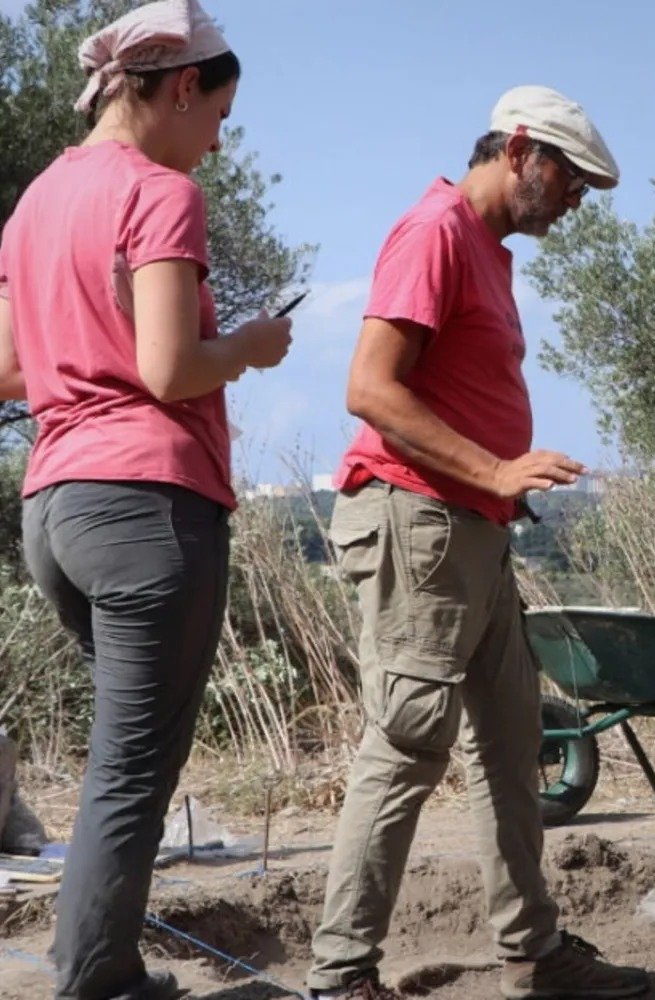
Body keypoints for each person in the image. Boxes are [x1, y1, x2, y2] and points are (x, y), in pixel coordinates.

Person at [304, 86, 646, 1000]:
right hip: (420, 520)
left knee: (510, 741)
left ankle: (533, 953)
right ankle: (340, 976)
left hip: (471, 531)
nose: (575, 202)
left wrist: (497, 486)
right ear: (521, 150)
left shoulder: (485, 250)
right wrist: (494, 469)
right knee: (408, 743)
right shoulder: (436, 232)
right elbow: (371, 389)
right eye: (571, 181)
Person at [0, 2, 292, 997]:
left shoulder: (37, 200)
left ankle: (104, 968)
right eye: (219, 117)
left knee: (123, 758)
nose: (218, 141)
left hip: (54, 508)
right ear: (181, 87)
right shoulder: (160, 192)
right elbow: (171, 371)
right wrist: (247, 347)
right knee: (130, 769)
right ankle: (97, 981)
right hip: (146, 503)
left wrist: (93, 344)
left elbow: (10, 367)